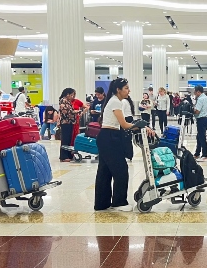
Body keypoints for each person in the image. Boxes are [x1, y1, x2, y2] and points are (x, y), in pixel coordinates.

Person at [94, 78, 154, 212]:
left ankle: (101, 204)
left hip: (107, 137)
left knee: (105, 172)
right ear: (118, 90)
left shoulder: (116, 101)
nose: (129, 90)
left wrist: (140, 127)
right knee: (121, 171)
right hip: (109, 138)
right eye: (126, 88)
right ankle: (119, 202)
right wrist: (142, 127)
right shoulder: (115, 101)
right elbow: (125, 125)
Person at [59, 88, 87, 162]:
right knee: (65, 139)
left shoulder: (67, 101)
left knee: (69, 139)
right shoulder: (63, 100)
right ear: (67, 94)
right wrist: (77, 111)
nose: (72, 97)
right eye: (71, 95)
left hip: (70, 122)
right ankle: (63, 156)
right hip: (66, 123)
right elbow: (67, 112)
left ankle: (68, 155)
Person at [193, 85, 207, 162]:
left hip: (201, 120)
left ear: (198, 92)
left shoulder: (200, 99)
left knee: (202, 138)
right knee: (199, 137)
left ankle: (204, 155)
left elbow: (197, 111)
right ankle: (197, 153)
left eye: (195, 92)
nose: (194, 94)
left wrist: (192, 111)